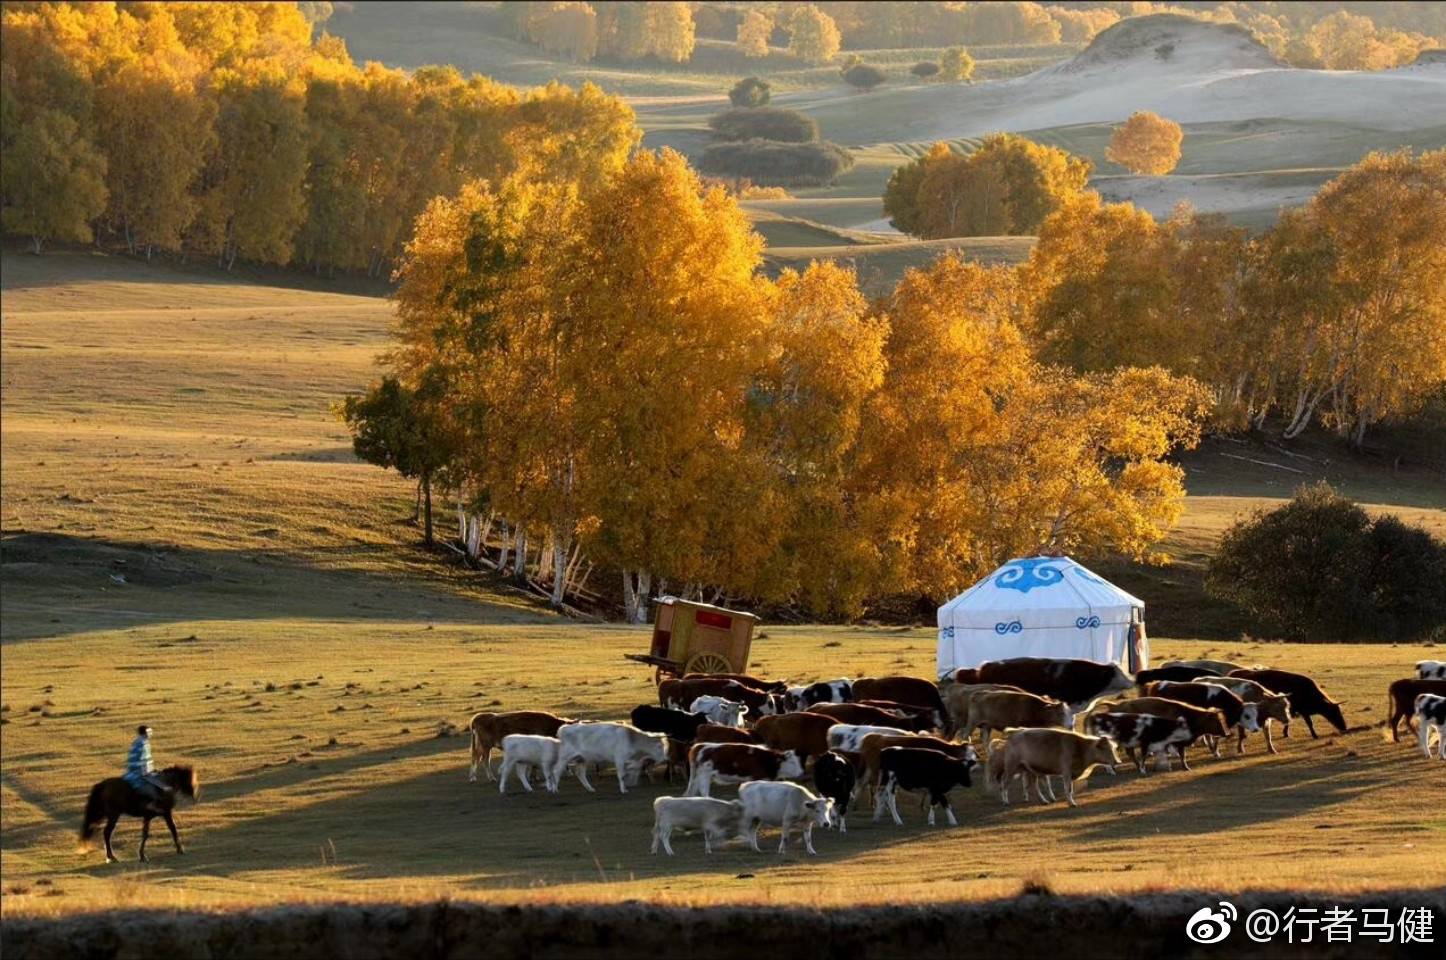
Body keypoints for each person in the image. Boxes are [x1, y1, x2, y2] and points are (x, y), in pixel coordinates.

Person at [124, 725, 168, 807]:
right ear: (145, 733)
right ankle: (151, 806)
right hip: (140, 773)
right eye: (150, 731)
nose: (151, 733)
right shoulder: (143, 744)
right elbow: (144, 762)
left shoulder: (136, 742)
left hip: (132, 772)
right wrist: (150, 773)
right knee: (158, 789)